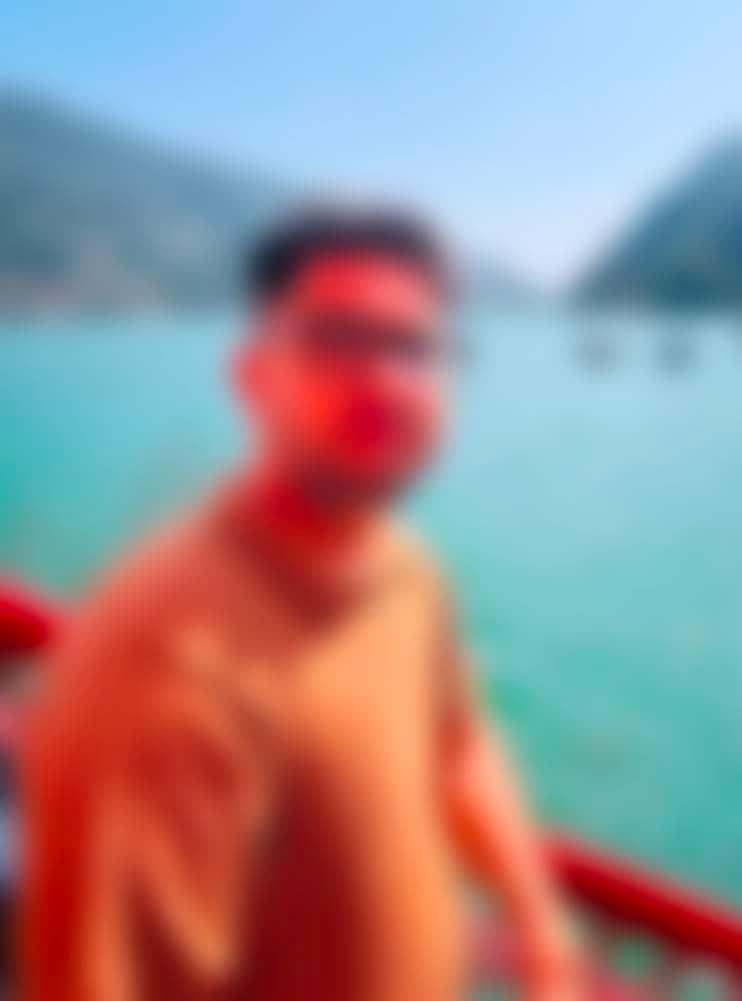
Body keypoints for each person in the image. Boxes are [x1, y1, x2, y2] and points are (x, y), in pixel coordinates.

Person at [20, 204, 580, 1001]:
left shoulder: (403, 568)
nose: (384, 379)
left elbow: (456, 741)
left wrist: (539, 928)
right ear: (253, 376)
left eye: (415, 346)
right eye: (336, 338)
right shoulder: (164, 668)